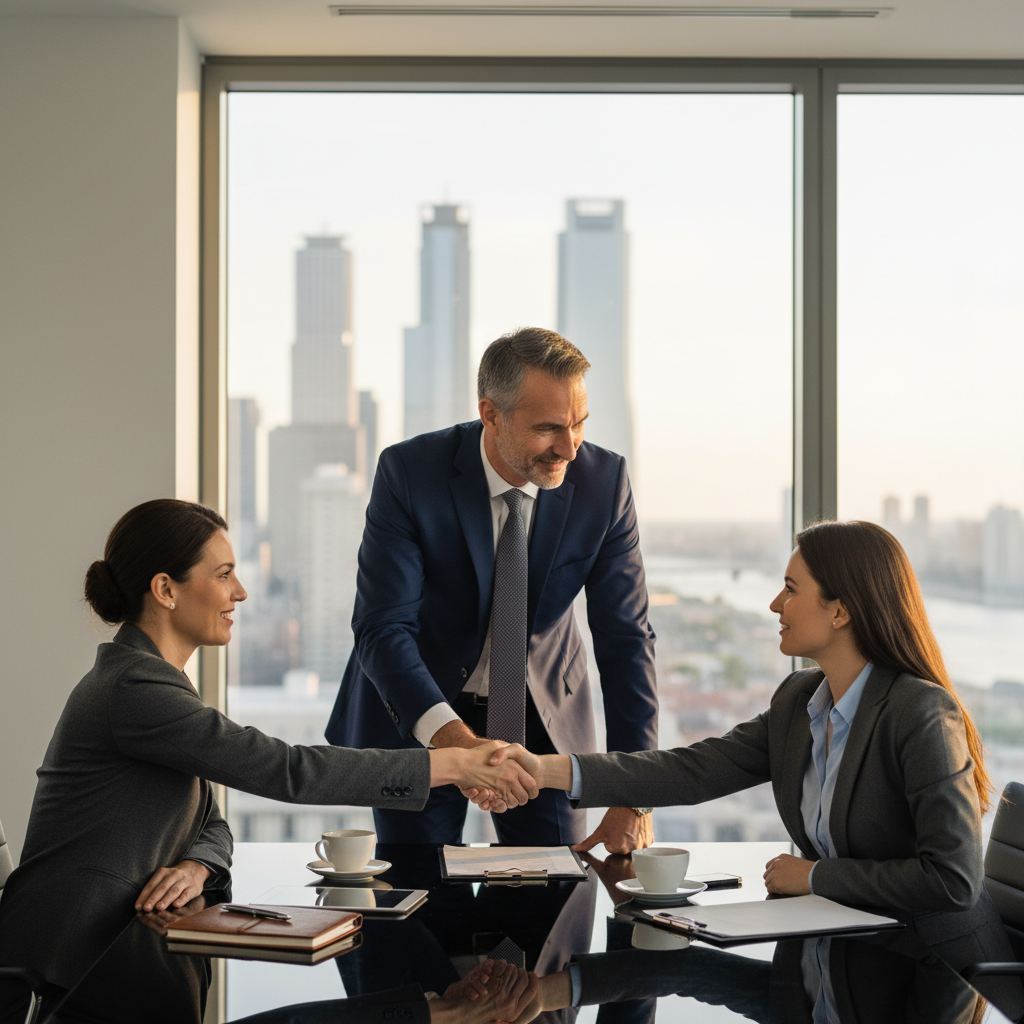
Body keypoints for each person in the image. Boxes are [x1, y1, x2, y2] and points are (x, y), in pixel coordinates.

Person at [0, 499, 536, 996]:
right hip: (68, 966)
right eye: (224, 574)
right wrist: (453, 762)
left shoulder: (153, 683)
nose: (241, 593)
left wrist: (197, 867)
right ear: (165, 590)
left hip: (125, 949)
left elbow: (212, 822)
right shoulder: (134, 690)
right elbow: (288, 771)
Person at [487, 520, 1017, 973]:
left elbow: (953, 881)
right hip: (848, 953)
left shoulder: (920, 713)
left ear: (840, 611)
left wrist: (813, 874)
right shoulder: (798, 699)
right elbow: (692, 771)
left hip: (941, 974)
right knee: (689, 971)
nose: (773, 604)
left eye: (791, 588)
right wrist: (546, 769)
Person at [325, 327, 659, 851]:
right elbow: (382, 628)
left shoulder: (604, 481)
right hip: (422, 707)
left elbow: (627, 638)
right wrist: (456, 745)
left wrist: (632, 794)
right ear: (491, 415)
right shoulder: (411, 472)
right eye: (549, 428)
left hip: (543, 713)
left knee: (552, 897)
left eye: (579, 424)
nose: (569, 448)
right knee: (419, 900)